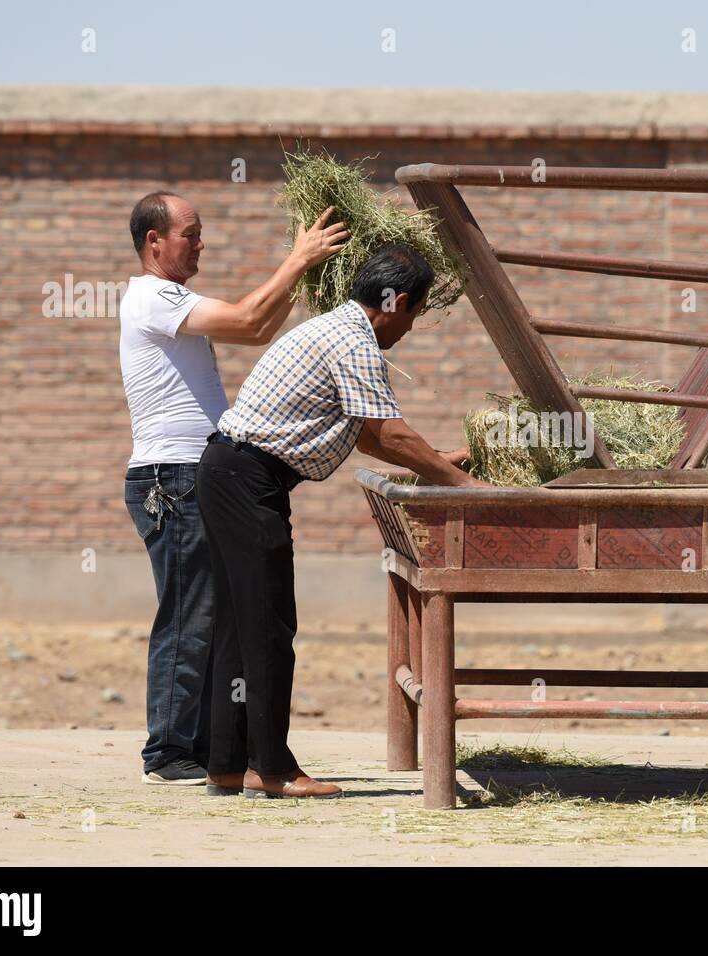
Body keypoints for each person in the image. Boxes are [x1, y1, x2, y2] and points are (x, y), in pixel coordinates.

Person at [197, 242, 489, 799]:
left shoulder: (336, 330)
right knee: (267, 627)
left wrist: (440, 461)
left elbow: (370, 435)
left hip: (231, 473)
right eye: (414, 315)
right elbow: (391, 431)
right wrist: (466, 487)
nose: (407, 331)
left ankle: (227, 764)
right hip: (245, 480)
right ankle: (273, 769)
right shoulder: (355, 343)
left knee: (240, 624)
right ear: (397, 301)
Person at [119, 191, 348, 784]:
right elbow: (249, 320)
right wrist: (298, 259)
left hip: (195, 475)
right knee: (189, 614)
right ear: (155, 242)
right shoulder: (152, 296)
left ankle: (213, 751)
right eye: (191, 234)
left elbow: (262, 324)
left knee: (218, 613)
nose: (201, 243)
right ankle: (169, 751)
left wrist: (308, 268)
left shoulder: (175, 298)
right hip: (172, 476)